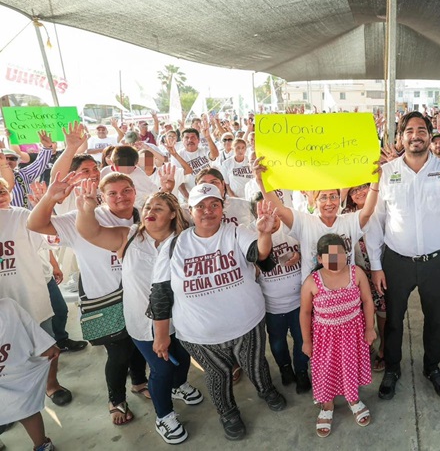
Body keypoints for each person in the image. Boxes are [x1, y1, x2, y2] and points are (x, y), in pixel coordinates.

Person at [150, 185, 285, 441]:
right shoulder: (173, 246)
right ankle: (228, 413)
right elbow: (160, 295)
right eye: (200, 206)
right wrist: (161, 336)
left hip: (247, 325)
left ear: (223, 208)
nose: (208, 211)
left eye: (214, 205)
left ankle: (266, 390)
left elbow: (259, 254)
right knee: (217, 374)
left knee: (255, 364)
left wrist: (264, 233)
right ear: (190, 211)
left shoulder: (236, 232)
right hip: (199, 335)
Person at [75, 185, 204, 444]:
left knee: (182, 358)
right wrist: (88, 208)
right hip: (143, 323)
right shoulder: (130, 236)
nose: (149, 211)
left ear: (172, 214)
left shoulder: (184, 240)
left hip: (180, 318)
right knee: (161, 368)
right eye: (147, 207)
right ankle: (164, 416)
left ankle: (178, 386)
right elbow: (91, 232)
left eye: (158, 208)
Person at [366, 112, 440, 401]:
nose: (415, 135)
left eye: (421, 130)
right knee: (393, 320)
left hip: (435, 263)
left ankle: (432, 368)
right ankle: (392, 369)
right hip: (396, 262)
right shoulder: (386, 172)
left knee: (435, 319)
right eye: (409, 131)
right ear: (401, 138)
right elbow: (376, 221)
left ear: (430, 135)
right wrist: (376, 266)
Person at [28, 170, 149, 425]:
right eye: (113, 193)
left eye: (126, 190)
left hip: (141, 298)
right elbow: (36, 224)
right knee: (118, 353)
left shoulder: (144, 216)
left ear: (135, 191)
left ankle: (139, 381)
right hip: (105, 301)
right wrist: (49, 198)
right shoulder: (83, 217)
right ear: (102, 196)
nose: (121, 197)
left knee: (139, 342)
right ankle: (116, 400)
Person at [0, 178, 73, 408]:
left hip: (32, 296)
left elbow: (47, 243)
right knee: (8, 356)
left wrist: (47, 202)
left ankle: (52, 385)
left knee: (47, 346)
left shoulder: (22, 216)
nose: (0, 195)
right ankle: (11, 400)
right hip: (3, 307)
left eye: (2, 190)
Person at [300, 234, 375, 438]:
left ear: (346, 254)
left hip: (352, 335)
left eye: (340, 254)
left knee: (350, 367)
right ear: (320, 258)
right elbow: (305, 313)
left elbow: (367, 301)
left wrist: (370, 328)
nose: (336, 260)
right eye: (329, 256)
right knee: (326, 370)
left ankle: (353, 398)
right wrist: (306, 341)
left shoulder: (357, 273)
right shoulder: (312, 282)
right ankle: (327, 405)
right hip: (325, 339)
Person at [255, 204, 309, 394]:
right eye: (263, 213)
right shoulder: (252, 235)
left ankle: (301, 371)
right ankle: (285, 368)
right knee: (277, 343)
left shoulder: (293, 230)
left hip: (299, 303)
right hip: (272, 306)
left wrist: (300, 255)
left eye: (273, 213)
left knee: (302, 339)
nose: (270, 218)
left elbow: (312, 252)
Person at [0, 298, 60, 451]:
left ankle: (42, 444)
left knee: (26, 410)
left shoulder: (8, 307)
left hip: (15, 376)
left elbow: (29, 328)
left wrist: (46, 346)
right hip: (10, 375)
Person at [343, 183, 387, 371]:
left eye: (363, 187)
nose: (360, 192)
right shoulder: (345, 214)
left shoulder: (382, 207)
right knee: (361, 313)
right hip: (356, 275)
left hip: (381, 270)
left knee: (383, 311)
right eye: (354, 190)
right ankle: (366, 348)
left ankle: (384, 348)